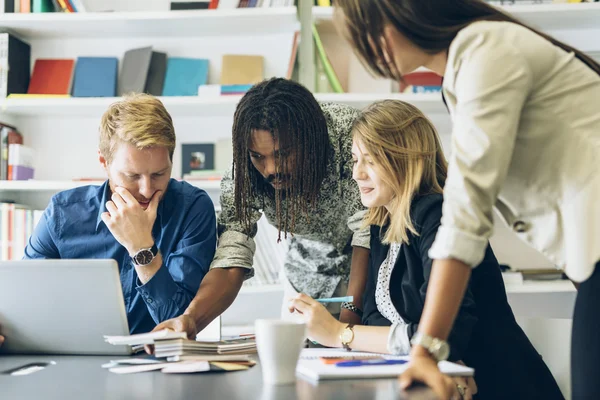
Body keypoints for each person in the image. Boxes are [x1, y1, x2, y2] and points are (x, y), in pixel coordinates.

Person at [334, 1, 600, 399]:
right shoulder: (462, 73)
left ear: (394, 18)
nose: (365, 52)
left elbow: (466, 214)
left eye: (363, 36)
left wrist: (426, 348)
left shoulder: (485, 53)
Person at [289, 100, 563, 400]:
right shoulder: (383, 224)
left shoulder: (438, 214)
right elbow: (375, 319)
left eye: (369, 160)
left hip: (500, 386)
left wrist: (340, 334)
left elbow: (448, 334)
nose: (357, 174)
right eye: (355, 160)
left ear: (405, 159)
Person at [151, 78, 370, 339]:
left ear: (310, 142)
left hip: (372, 269)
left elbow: (367, 232)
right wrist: (191, 319)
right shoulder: (242, 174)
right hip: (306, 275)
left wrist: (344, 327)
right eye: (259, 157)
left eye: (283, 154)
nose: (271, 169)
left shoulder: (351, 138)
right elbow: (232, 255)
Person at [23, 94, 217, 335]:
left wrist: (141, 248)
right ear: (103, 162)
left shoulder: (193, 209)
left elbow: (178, 324)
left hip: (156, 361)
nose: (146, 189)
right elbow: (25, 301)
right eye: (132, 176)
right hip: (74, 357)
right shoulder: (62, 213)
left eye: (159, 174)